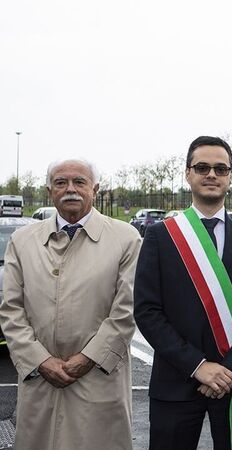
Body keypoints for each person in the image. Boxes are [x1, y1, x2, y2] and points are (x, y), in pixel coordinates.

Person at [134, 136, 232, 450]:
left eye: (220, 168)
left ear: (230, 176)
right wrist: (198, 366)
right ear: (188, 173)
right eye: (202, 167)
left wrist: (229, 369)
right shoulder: (161, 236)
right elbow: (147, 311)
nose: (211, 174)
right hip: (175, 381)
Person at [0, 157, 141, 449]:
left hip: (100, 381)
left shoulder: (126, 238)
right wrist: (41, 360)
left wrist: (87, 359)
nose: (70, 190)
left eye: (80, 182)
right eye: (61, 182)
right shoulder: (22, 241)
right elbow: (11, 311)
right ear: (49, 189)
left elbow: (127, 310)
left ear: (96, 189)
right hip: (41, 381)